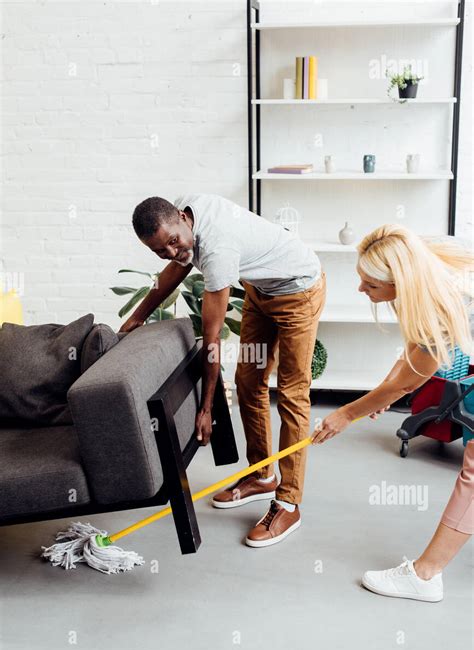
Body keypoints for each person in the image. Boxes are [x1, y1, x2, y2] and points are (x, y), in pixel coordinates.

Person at [120, 193, 326, 547]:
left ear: (184, 219)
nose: (171, 252)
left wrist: (206, 410)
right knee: (249, 383)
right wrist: (138, 314)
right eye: (160, 250)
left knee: (292, 394)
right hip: (261, 291)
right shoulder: (182, 215)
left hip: (298, 291)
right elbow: (176, 267)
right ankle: (262, 476)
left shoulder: (217, 250)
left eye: (173, 242)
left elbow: (212, 339)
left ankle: (289, 503)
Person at [312, 225, 473, 602]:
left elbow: (407, 382)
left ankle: (425, 576)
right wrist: (389, 385)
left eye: (370, 285)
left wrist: (346, 414)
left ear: (398, 280)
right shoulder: (426, 255)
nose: (361, 290)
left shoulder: (440, 304)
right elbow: (410, 362)